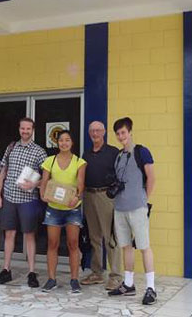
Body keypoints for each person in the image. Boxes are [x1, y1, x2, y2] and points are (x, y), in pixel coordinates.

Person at [108, 117, 157, 305]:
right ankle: (128, 284)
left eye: (123, 132)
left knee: (144, 246)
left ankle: (151, 288)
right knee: (125, 246)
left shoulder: (141, 152)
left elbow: (151, 177)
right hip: (119, 208)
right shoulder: (119, 156)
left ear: (130, 132)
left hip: (137, 207)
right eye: (118, 133)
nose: (121, 136)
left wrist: (145, 199)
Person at [0, 117, 47, 287]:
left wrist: (35, 184)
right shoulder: (11, 148)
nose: (25, 131)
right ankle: (6, 269)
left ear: (33, 130)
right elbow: (3, 170)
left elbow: (48, 177)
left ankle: (32, 272)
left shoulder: (39, 152)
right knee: (9, 234)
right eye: (22, 128)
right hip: (9, 197)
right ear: (19, 129)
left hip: (28, 200)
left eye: (28, 129)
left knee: (29, 236)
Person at [39, 130, 86, 294]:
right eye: (61, 140)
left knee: (73, 244)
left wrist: (78, 196)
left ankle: (74, 280)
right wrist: (43, 195)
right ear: (57, 143)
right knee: (53, 244)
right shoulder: (49, 161)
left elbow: (81, 183)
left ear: (72, 143)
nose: (64, 143)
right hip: (54, 209)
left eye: (67, 140)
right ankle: (51, 279)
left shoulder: (79, 162)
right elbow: (44, 181)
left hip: (72, 208)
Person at [80, 121, 122, 290]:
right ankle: (97, 273)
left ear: (104, 132)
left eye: (98, 130)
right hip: (89, 196)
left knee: (110, 238)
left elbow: (121, 176)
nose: (95, 133)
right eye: (92, 131)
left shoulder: (113, 152)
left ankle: (116, 276)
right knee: (94, 237)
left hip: (107, 197)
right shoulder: (87, 154)